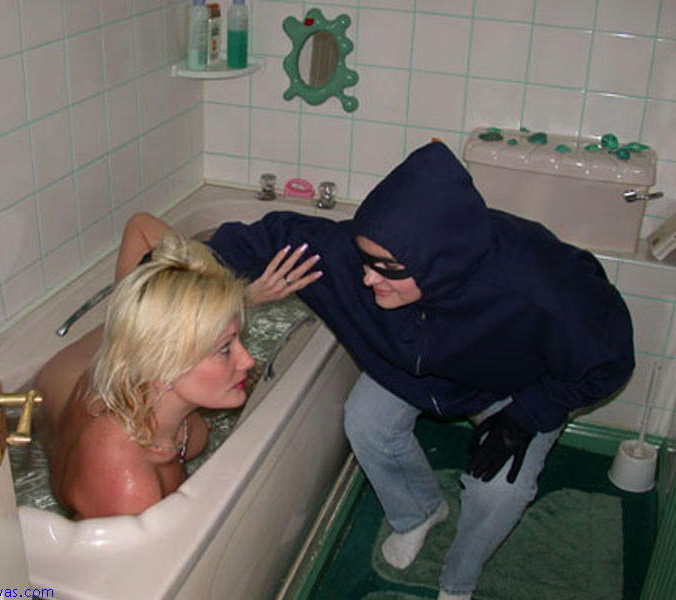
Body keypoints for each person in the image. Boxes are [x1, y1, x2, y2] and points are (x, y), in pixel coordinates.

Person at [205, 141, 635, 600]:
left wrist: (530, 414)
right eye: (366, 260)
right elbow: (239, 244)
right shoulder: (354, 255)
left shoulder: (541, 285)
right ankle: (419, 513)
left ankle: (460, 579)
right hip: (417, 370)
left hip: (517, 383)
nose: (368, 278)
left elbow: (611, 361)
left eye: (387, 268)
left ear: (438, 263)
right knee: (365, 422)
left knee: (498, 491)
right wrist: (215, 292)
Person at [36, 213, 315, 519]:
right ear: (164, 362)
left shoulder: (145, 332)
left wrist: (235, 300)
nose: (247, 360)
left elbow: (140, 226)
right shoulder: (127, 486)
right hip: (61, 385)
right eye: (225, 348)